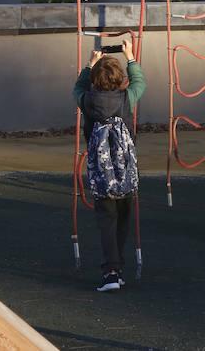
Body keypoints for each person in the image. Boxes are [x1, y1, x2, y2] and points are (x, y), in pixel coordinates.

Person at [73, 38, 146, 292]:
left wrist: (88, 66)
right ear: (120, 80)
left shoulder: (88, 101)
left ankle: (110, 272)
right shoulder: (127, 99)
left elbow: (77, 89)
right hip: (125, 172)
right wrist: (131, 57)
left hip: (102, 175)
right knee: (124, 218)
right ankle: (119, 268)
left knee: (106, 219)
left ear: (94, 80)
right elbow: (140, 83)